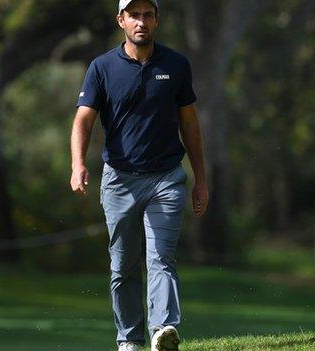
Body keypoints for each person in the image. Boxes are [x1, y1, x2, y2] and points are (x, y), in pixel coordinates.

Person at [70, 0, 208, 350]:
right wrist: (78, 164)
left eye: (148, 15)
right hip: (119, 181)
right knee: (123, 266)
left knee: (161, 257)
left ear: (157, 20)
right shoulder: (101, 68)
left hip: (166, 178)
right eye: (134, 15)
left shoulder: (176, 65)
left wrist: (200, 180)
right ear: (121, 21)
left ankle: (163, 330)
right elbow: (83, 120)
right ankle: (129, 341)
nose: (141, 21)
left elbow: (189, 124)